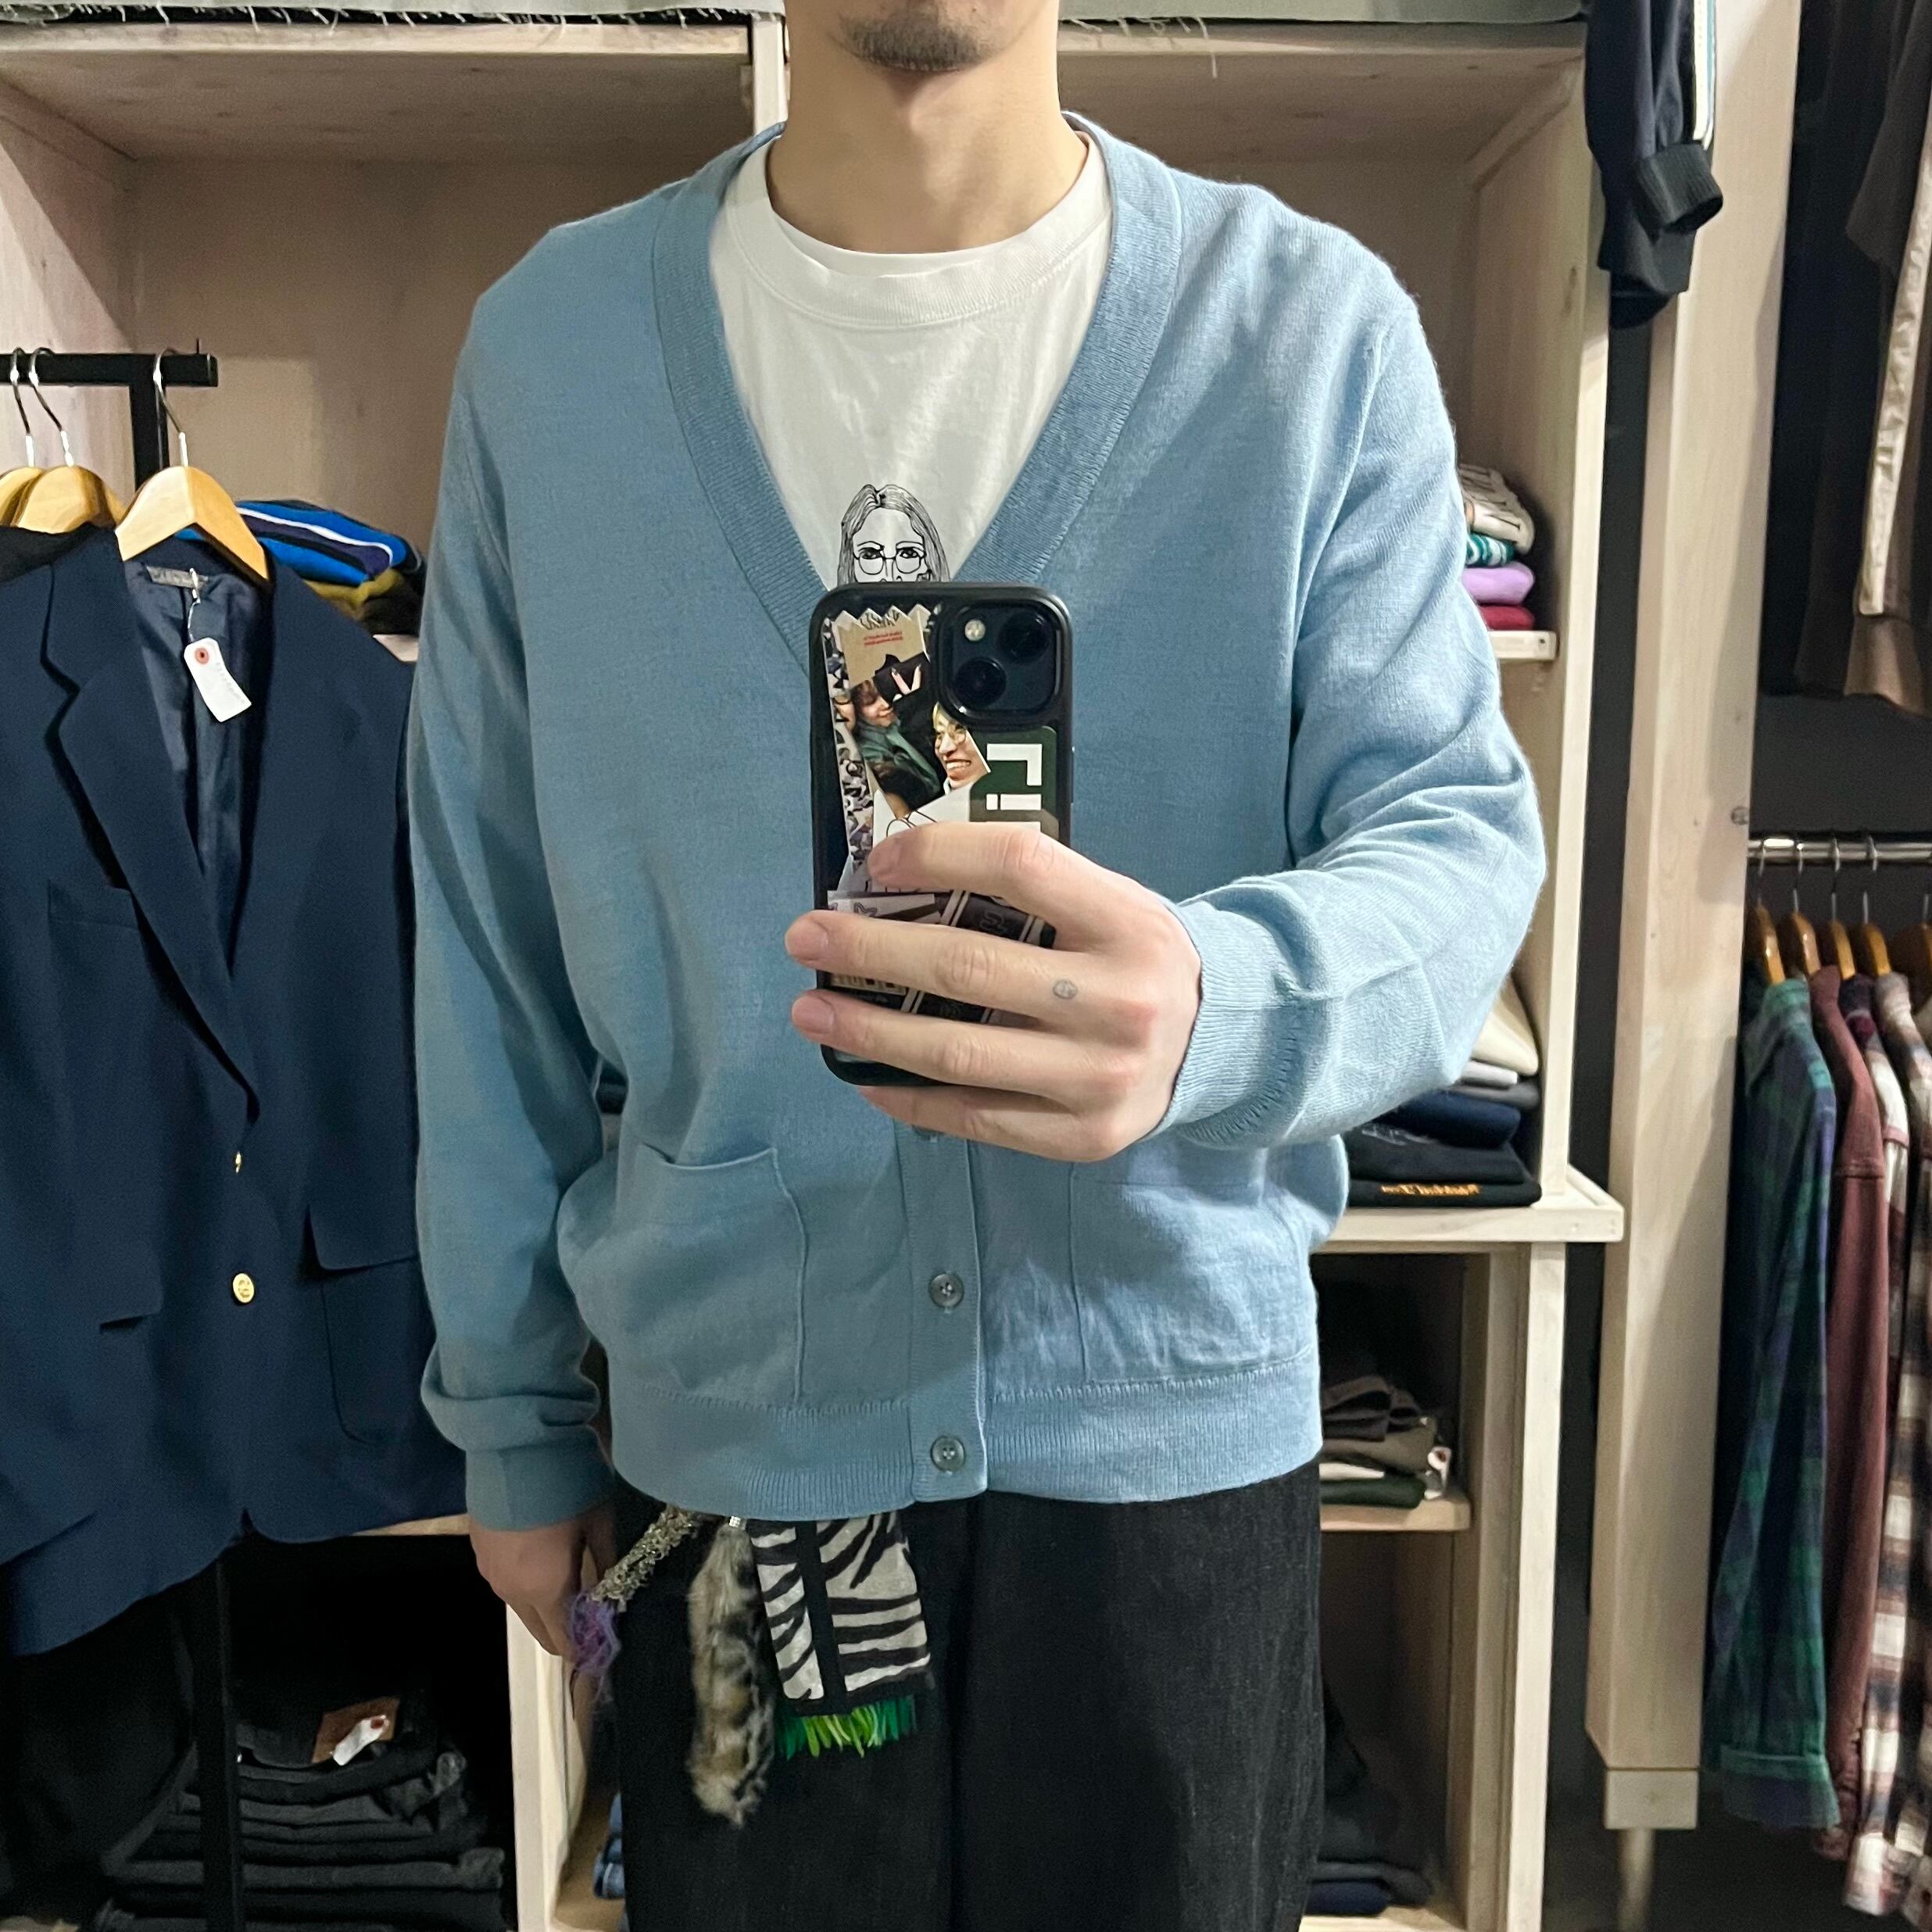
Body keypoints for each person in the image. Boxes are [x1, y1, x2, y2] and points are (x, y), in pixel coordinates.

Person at [405, 0, 1545, 1914]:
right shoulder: (554, 356)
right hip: (747, 1478)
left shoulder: (1306, 331)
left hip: (1164, 1458)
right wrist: (511, 1421)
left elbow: (1458, 839)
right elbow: (484, 930)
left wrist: (1216, 1007)